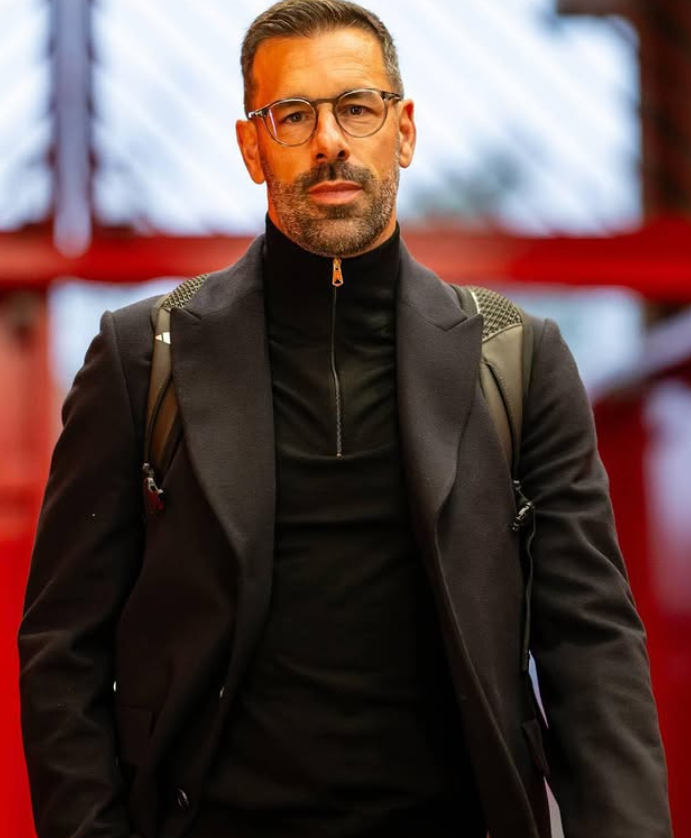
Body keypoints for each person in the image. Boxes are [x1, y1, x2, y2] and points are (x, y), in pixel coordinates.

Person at [18, 2, 673, 837]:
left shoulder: (517, 357)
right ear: (252, 147)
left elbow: (591, 644)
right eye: (293, 115)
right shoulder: (144, 355)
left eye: (357, 108)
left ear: (403, 131)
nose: (329, 140)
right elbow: (62, 647)